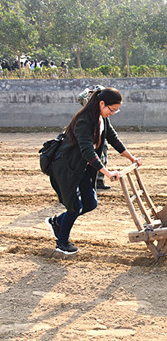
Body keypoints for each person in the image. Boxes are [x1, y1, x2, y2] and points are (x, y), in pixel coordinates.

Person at [44, 87, 142, 255]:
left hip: (82, 168)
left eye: (116, 111)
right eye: (112, 110)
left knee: (90, 203)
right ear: (102, 103)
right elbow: (87, 151)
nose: (112, 113)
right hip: (67, 167)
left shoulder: (102, 118)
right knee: (75, 206)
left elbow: (113, 139)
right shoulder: (84, 120)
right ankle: (62, 243)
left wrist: (132, 158)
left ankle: (57, 222)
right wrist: (107, 172)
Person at [78, 85, 111, 190]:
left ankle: (100, 180)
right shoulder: (88, 104)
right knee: (91, 157)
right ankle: (94, 181)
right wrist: (87, 90)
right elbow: (80, 97)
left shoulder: (103, 106)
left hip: (100, 133)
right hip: (92, 134)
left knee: (103, 156)